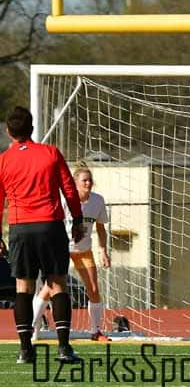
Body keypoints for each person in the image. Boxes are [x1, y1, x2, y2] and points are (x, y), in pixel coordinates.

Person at [0, 106, 84, 364]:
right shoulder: (50, 153)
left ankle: (25, 350)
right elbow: (69, 188)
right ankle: (63, 348)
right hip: (50, 226)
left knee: (23, 288)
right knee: (57, 285)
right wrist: (78, 219)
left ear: (8, 132)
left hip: (20, 228)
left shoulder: (3, 160)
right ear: (32, 129)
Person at [32, 163, 112, 341]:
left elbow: (100, 228)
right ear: (75, 183)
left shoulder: (97, 200)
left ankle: (95, 331)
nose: (88, 183)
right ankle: (32, 328)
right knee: (49, 288)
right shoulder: (64, 199)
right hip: (62, 248)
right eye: (84, 180)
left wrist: (103, 251)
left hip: (83, 250)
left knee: (93, 289)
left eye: (90, 180)